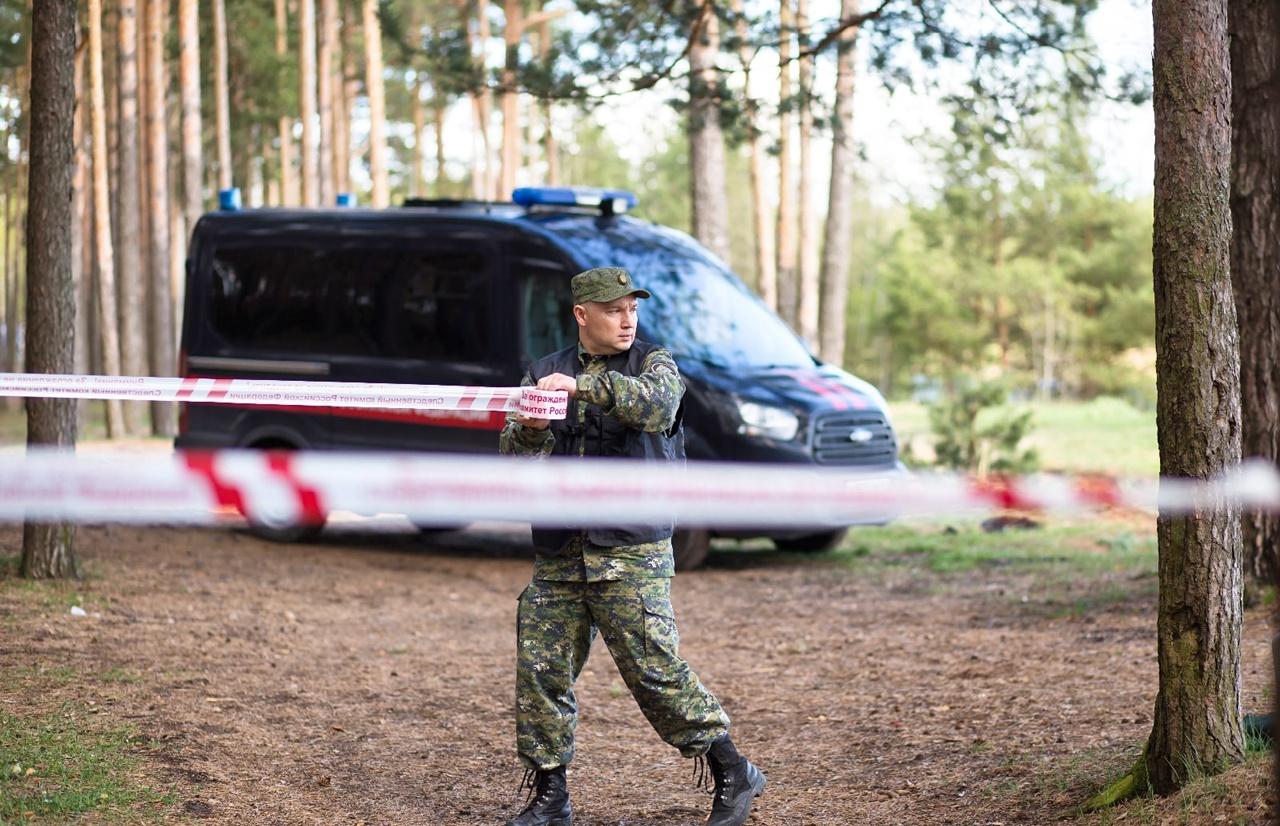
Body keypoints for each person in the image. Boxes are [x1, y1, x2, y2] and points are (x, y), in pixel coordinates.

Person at [498, 267, 766, 826]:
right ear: (581, 315)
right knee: (540, 674)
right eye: (614, 309)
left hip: (630, 552)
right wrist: (528, 428)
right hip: (559, 551)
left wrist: (583, 388)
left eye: (632, 309)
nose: (627, 319)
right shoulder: (543, 373)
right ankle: (551, 796)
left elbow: (655, 408)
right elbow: (518, 463)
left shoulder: (654, 364)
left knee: (655, 673)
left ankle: (733, 770)